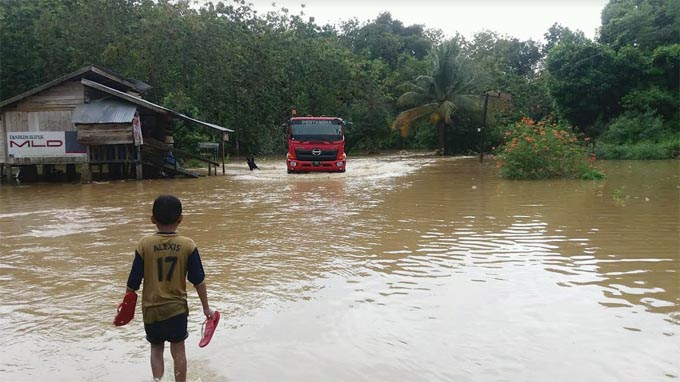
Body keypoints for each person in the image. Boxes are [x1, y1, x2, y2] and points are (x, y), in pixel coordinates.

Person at [124, 195, 215, 382]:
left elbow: (133, 281)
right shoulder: (188, 245)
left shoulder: (144, 244)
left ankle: (157, 380)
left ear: (152, 219)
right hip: (176, 309)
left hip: (151, 309)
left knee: (156, 348)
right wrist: (206, 308)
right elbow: (198, 280)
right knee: (178, 349)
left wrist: (126, 306)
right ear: (180, 218)